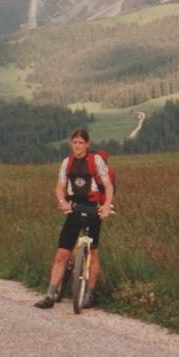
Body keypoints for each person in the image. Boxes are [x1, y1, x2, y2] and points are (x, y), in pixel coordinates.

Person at [34, 128, 114, 309]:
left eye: (81, 142)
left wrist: (107, 205)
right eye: (75, 142)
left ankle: (90, 294)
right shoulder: (67, 163)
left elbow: (107, 185)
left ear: (87, 144)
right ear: (71, 143)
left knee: (92, 252)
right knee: (62, 253)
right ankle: (50, 294)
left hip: (94, 209)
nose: (77, 146)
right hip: (74, 208)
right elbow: (60, 186)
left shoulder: (96, 161)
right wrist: (62, 201)